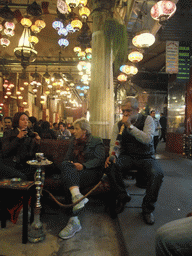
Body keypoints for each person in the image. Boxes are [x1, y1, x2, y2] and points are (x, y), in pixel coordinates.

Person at [105, 97, 164, 225]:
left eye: (128, 110)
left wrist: (130, 127)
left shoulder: (147, 120)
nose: (125, 114)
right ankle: (123, 197)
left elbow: (147, 139)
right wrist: (113, 155)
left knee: (157, 173)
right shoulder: (119, 124)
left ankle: (147, 209)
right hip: (128, 156)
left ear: (137, 110)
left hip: (146, 157)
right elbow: (115, 144)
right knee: (111, 166)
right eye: (123, 111)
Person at [58, 118, 105, 239]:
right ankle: (76, 208)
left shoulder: (96, 140)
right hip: (75, 172)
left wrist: (83, 165)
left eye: (76, 129)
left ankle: (73, 218)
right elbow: (67, 159)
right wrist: (71, 165)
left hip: (91, 172)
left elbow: (99, 159)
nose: (73, 131)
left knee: (69, 179)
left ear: (84, 130)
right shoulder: (73, 141)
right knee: (66, 167)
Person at [2, 112, 41, 180]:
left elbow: (31, 154)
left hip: (24, 165)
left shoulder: (30, 134)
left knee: (43, 170)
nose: (26, 122)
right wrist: (18, 138)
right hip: (10, 164)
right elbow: (5, 151)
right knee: (22, 176)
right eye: (23, 120)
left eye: (27, 120)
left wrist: (37, 143)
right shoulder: (9, 133)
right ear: (17, 121)